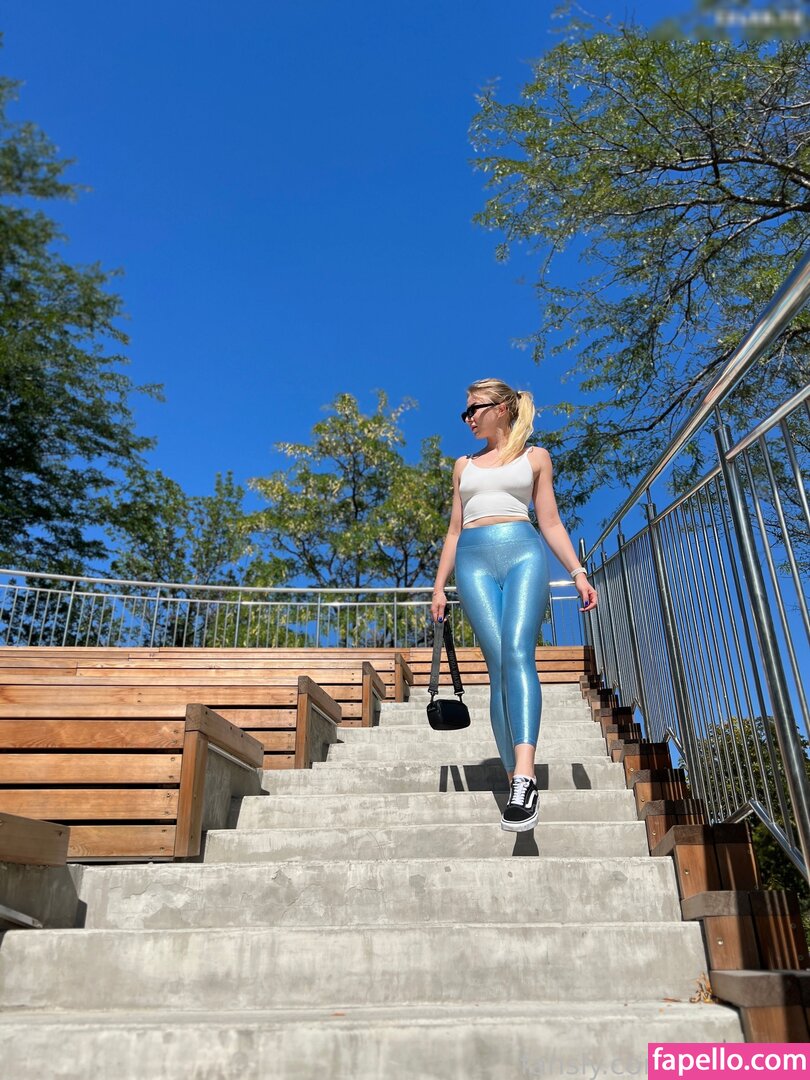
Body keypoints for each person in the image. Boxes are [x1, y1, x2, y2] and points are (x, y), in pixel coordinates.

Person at [430, 377, 598, 832]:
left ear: (501, 408)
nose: (467, 418)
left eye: (474, 409)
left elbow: (551, 522)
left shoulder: (535, 457)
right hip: (473, 562)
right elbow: (454, 531)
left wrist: (578, 572)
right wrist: (439, 587)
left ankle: (525, 775)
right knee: (499, 664)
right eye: (465, 411)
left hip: (523, 552)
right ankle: (513, 782)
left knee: (520, 653)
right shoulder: (463, 466)